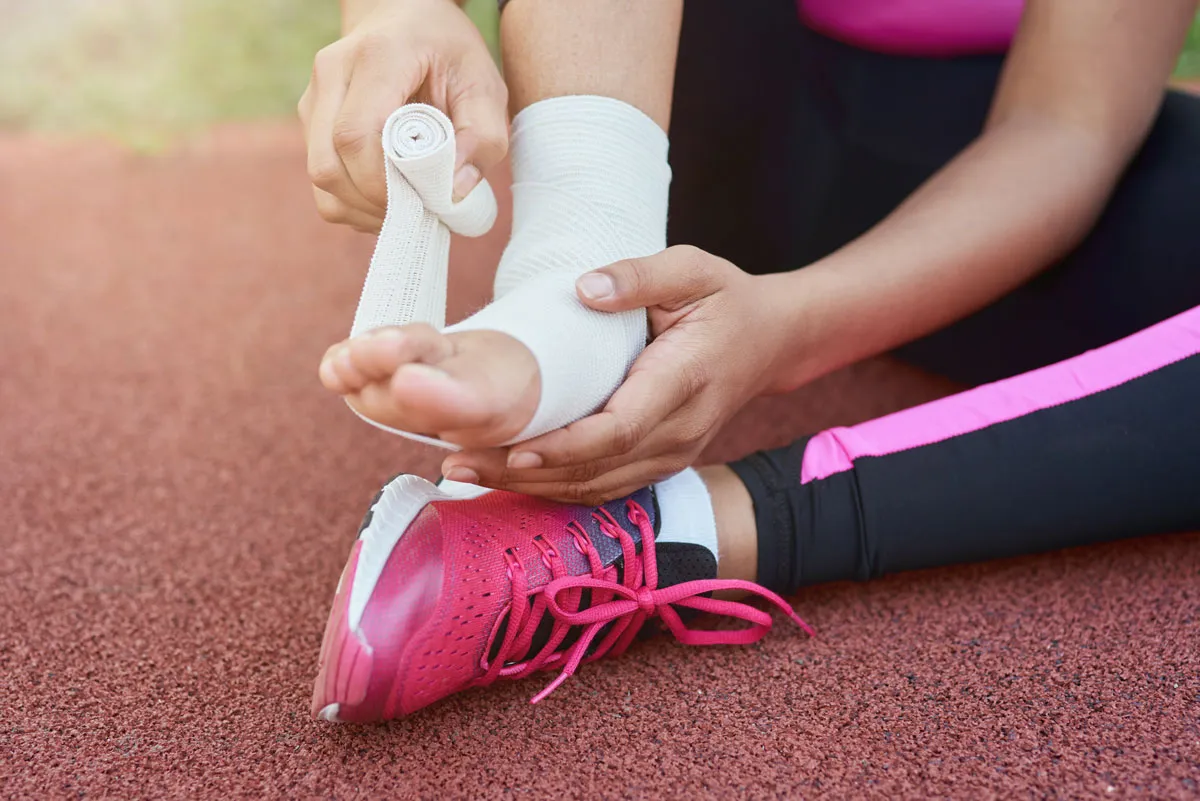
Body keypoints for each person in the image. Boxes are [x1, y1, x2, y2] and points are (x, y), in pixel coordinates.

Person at [301, 0, 1200, 721]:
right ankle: (571, 288)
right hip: (695, 94)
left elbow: (1064, 127)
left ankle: (667, 533)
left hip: (982, 160)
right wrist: (394, 11)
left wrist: (789, 329)